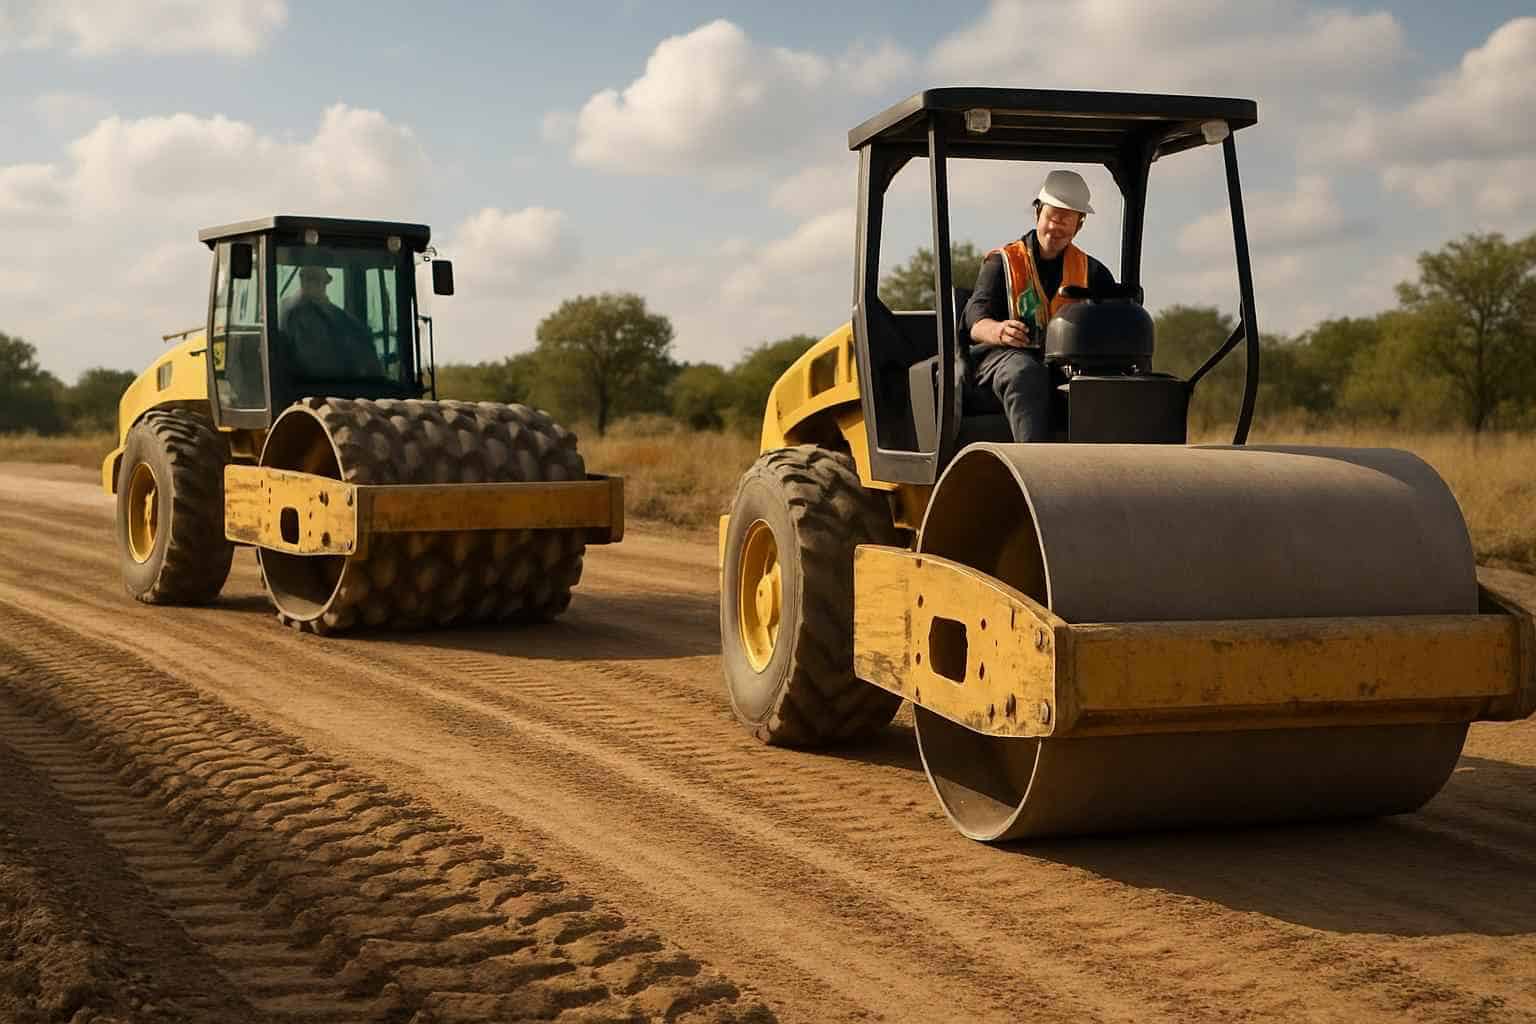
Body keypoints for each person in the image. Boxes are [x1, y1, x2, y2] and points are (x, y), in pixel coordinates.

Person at [961, 169, 1117, 441]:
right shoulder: (1002, 263)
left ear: (1079, 225)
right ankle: (1034, 470)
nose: (1055, 227)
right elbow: (975, 318)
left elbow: (1115, 322)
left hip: (1065, 364)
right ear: (1037, 214)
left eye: (1065, 220)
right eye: (1051, 217)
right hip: (1001, 357)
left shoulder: (1093, 272)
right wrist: (999, 331)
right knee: (1025, 372)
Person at [278, 264, 382, 379]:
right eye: (308, 278)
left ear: (326, 282)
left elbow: (366, 357)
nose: (312, 284)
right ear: (301, 279)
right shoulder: (289, 313)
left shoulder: (343, 320)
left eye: (316, 279)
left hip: (341, 387)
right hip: (301, 387)